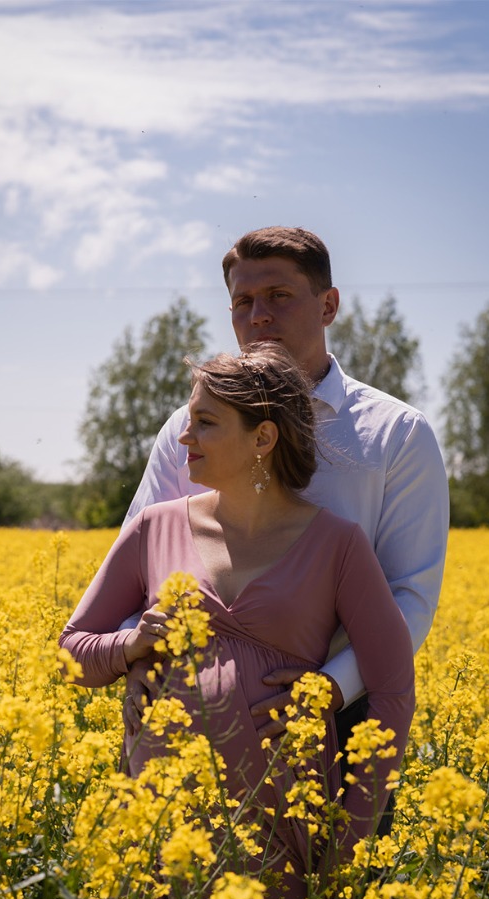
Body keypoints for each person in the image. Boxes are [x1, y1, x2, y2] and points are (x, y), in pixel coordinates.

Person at [61, 344, 416, 899]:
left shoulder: (339, 545)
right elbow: (71, 649)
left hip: (279, 821)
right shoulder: (153, 528)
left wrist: (350, 844)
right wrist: (130, 646)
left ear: (263, 438)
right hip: (158, 819)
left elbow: (394, 690)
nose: (184, 437)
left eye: (205, 422)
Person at [124, 226, 446, 783]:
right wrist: (137, 656)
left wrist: (330, 689)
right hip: (184, 715)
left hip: (341, 718)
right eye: (243, 302)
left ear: (328, 306)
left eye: (279, 296)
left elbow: (409, 595)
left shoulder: (396, 435)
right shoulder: (185, 429)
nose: (259, 316)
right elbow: (138, 565)